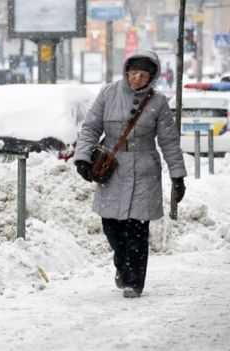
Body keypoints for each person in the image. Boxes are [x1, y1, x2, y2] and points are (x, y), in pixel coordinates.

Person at [72, 49, 187, 298]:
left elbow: (169, 141)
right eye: (133, 73)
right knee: (111, 225)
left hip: (145, 169)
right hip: (111, 167)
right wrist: (82, 158)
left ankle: (135, 280)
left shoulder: (158, 103)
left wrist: (177, 175)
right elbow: (91, 126)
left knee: (137, 227)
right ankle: (122, 265)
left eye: (143, 75)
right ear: (126, 71)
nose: (136, 78)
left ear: (152, 77)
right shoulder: (108, 93)